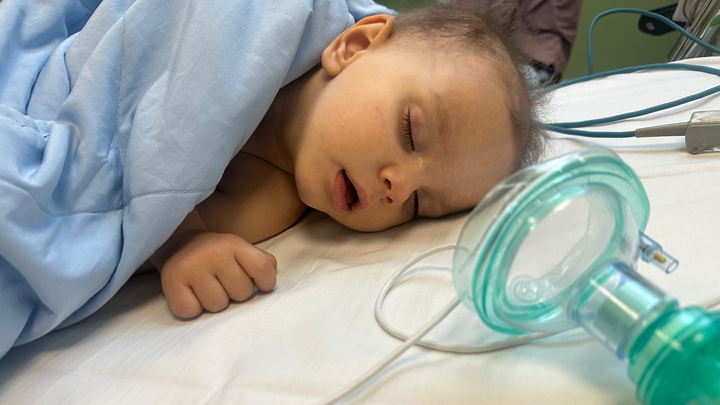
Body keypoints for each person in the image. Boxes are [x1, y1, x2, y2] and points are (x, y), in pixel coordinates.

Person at [148, 4, 547, 318]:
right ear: (354, 47)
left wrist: (184, 243)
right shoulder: (270, 20)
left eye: (418, 204)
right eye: (410, 131)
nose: (399, 188)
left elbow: (146, 218)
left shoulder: (268, 202)